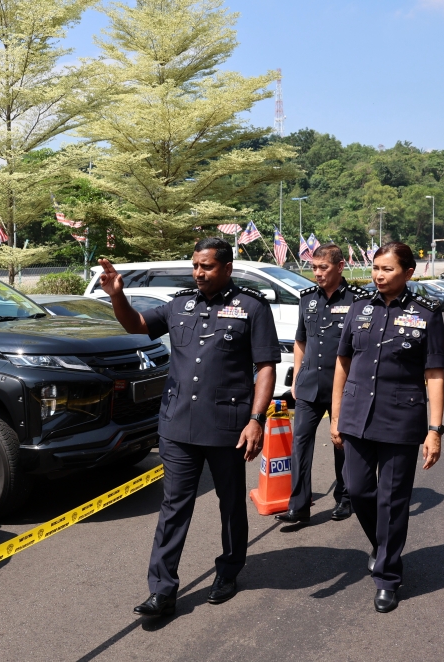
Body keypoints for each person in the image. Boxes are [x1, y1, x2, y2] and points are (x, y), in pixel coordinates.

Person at [97, 238, 281, 617]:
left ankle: (229, 569)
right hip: (178, 425)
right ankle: (162, 590)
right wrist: (118, 296)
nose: (199, 273)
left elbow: (265, 367)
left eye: (207, 266)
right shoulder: (180, 304)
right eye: (195, 265)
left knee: (231, 503)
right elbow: (137, 325)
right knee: (173, 506)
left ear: (227, 268)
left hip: (228, 428)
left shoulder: (252, 307)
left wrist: (256, 420)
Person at [331, 242, 444, 613]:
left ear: (408, 272)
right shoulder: (359, 308)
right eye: (376, 268)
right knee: (358, 491)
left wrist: (434, 430)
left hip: (400, 420)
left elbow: (434, 374)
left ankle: (388, 577)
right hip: (356, 417)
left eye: (388, 269)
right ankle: (382, 546)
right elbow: (343, 363)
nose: (379, 275)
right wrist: (335, 415)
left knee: (393, 500)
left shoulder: (427, 313)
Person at [275, 244, 367, 525]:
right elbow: (300, 341)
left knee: (341, 443)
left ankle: (345, 498)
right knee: (300, 444)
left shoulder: (358, 300)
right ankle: (299, 505)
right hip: (309, 386)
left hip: (344, 387)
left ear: (339, 267)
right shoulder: (307, 299)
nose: (317, 273)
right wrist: (297, 377)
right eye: (314, 267)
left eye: (323, 267)